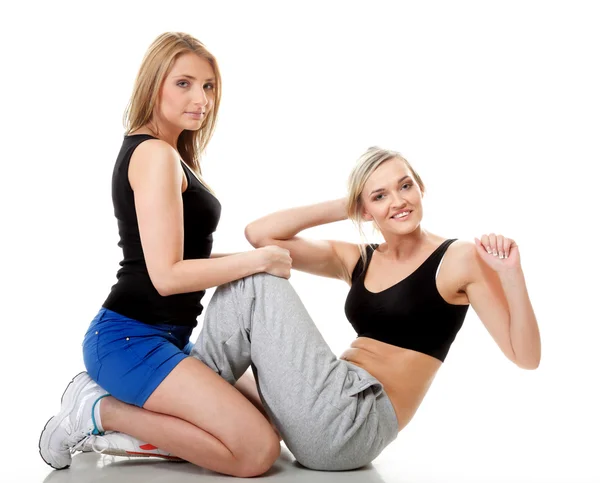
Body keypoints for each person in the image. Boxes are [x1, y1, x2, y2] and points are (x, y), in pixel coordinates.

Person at [63, 146, 542, 471]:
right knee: (255, 269)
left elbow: (526, 356)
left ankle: (122, 406)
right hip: (327, 398)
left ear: (421, 187)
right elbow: (260, 235)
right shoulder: (360, 256)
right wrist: (344, 204)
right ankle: (171, 399)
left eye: (405, 186)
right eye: (379, 195)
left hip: (354, 423)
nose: (398, 201)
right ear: (366, 209)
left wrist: (511, 273)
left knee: (256, 283)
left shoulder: (458, 258)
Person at [38, 31, 289, 478]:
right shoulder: (155, 154)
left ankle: (136, 432)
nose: (202, 98)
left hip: (167, 338)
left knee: (272, 421)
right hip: (129, 340)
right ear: (153, 83)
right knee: (255, 452)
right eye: (184, 83)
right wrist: (260, 260)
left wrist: (262, 258)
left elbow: (178, 259)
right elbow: (168, 277)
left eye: (209, 86)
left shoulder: (167, 151)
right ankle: (97, 411)